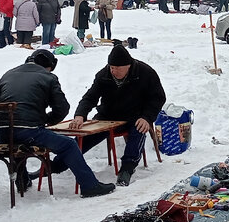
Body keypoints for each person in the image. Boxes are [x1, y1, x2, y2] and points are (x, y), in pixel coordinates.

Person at [0, 49, 115, 197]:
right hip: (28, 131)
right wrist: (47, 121)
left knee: (18, 141)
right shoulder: (48, 78)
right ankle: (90, 186)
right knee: (69, 145)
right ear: (49, 66)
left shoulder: (8, 74)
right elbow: (62, 108)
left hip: (2, 132)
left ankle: (22, 181)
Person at [72, 43, 167, 187]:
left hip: (136, 116)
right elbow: (90, 97)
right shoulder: (103, 75)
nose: (114, 71)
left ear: (128, 66)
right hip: (108, 116)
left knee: (138, 130)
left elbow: (158, 98)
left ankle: (127, 169)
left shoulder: (145, 73)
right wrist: (80, 114)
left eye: (117, 68)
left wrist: (147, 117)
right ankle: (58, 164)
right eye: (112, 67)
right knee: (86, 136)